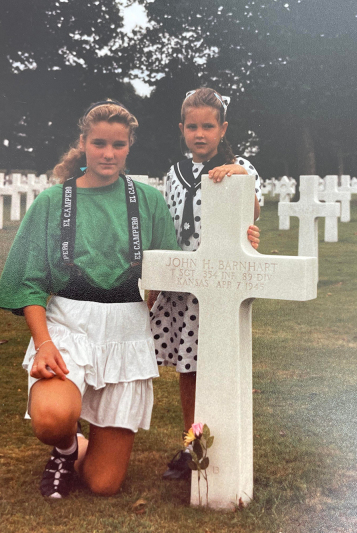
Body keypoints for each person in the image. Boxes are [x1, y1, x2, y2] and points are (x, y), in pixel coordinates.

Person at [0, 100, 181, 498]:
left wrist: (245, 232)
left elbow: (171, 268)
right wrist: (44, 343)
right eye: (99, 143)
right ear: (83, 143)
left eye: (118, 144)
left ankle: (78, 451)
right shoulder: (52, 202)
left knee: (103, 483)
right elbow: (26, 281)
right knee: (51, 418)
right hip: (67, 329)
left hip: (125, 333)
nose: (108, 153)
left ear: (129, 145)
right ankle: (64, 448)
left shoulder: (148, 201)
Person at [148, 87, 262, 480]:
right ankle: (191, 442)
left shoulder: (240, 166)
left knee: (220, 363)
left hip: (220, 280)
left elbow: (253, 210)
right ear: (182, 129)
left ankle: (223, 440)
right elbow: (167, 226)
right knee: (188, 367)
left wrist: (238, 174)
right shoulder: (174, 175)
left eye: (208, 126)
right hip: (184, 286)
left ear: (222, 128)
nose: (200, 134)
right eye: (192, 126)